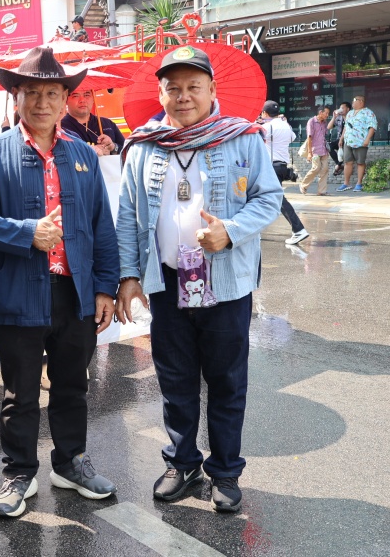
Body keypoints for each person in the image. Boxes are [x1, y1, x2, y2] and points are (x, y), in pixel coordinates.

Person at [114, 46, 282, 513]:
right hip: (167, 283)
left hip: (226, 283)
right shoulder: (144, 146)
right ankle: (182, 463)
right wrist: (129, 275)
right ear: (161, 93)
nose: (183, 96)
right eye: (174, 88)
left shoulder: (242, 138)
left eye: (193, 86)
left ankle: (225, 471)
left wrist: (231, 230)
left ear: (211, 90)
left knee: (227, 381)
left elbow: (269, 198)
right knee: (175, 379)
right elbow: (127, 217)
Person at [0, 46, 120, 519]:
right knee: (20, 391)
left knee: (73, 384)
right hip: (18, 291)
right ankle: (18, 471)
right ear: (17, 96)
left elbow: (101, 225)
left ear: (66, 99)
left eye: (53, 93)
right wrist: (26, 233)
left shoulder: (82, 156)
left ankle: (70, 463)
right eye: (32, 93)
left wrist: (105, 287)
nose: (43, 103)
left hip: (74, 291)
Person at [261, 101, 309, 245]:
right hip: (282, 167)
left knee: (278, 200)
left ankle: (299, 229)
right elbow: (292, 138)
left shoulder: (267, 127)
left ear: (265, 113)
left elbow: (255, 139)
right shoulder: (285, 125)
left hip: (271, 168)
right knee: (262, 198)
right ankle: (254, 231)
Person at [60, 89, 125, 156]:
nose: (82, 100)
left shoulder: (107, 124)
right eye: (75, 96)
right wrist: (89, 152)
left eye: (87, 95)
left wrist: (113, 147)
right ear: (66, 100)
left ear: (93, 98)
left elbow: (127, 151)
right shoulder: (61, 127)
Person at [337, 95, 376, 192]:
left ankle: (359, 183)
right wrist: (341, 139)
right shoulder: (350, 113)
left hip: (360, 142)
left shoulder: (368, 113)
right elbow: (346, 127)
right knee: (347, 162)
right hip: (348, 141)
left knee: (360, 163)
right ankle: (346, 183)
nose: (352, 102)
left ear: (361, 101)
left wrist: (367, 139)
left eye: (354, 100)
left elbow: (372, 127)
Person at [298, 106, 332, 196]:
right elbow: (309, 137)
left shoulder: (324, 123)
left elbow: (326, 132)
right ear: (320, 112)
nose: (327, 115)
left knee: (325, 169)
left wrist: (334, 118)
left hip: (324, 150)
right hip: (315, 150)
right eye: (326, 113)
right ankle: (303, 185)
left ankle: (322, 191)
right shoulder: (311, 121)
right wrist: (309, 153)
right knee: (316, 168)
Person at [326, 101, 350, 176]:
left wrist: (344, 117)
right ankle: (338, 164)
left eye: (343, 108)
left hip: (349, 140)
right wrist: (334, 117)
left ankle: (339, 165)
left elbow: (348, 126)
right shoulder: (339, 117)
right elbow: (329, 127)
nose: (341, 109)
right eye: (340, 108)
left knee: (345, 154)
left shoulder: (351, 117)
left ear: (348, 109)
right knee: (329, 146)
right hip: (339, 139)